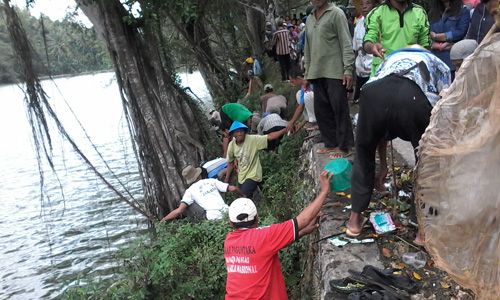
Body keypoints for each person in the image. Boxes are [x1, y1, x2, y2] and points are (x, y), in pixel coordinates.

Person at [347, 47, 451, 243]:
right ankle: (423, 231)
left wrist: (383, 165)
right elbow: (444, 103)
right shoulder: (439, 64)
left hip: (372, 95)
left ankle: (354, 220)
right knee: (427, 162)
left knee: (363, 152)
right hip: (411, 99)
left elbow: (378, 132)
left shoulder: (391, 58)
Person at [224, 171, 332, 299]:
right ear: (257, 218)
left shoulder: (229, 241)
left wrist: (301, 232)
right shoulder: (264, 236)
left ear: (231, 223)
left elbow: (266, 248)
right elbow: (302, 221)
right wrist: (324, 191)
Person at [304, 0, 355, 157]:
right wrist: (307, 74)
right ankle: (331, 143)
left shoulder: (336, 14)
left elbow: (346, 43)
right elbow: (307, 47)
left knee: (339, 108)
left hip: (335, 71)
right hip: (316, 72)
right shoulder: (309, 18)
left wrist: (348, 69)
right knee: (322, 110)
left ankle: (346, 146)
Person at [363, 0, 430, 76]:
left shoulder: (419, 12)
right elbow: (368, 40)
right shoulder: (377, 13)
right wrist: (372, 47)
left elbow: (425, 46)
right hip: (383, 75)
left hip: (411, 76)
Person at [224, 121, 287, 198]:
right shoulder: (231, 145)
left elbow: (269, 136)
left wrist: (285, 129)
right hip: (242, 176)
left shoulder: (252, 139)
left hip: (253, 174)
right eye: (237, 132)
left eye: (241, 131)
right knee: (242, 196)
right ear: (233, 134)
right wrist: (226, 180)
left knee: (245, 197)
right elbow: (230, 163)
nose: (240, 133)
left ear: (245, 132)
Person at [161, 165, 243, 222]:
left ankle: (200, 223)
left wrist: (164, 219)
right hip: (227, 212)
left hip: (212, 217)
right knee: (220, 190)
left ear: (189, 180)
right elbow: (233, 188)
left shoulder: (190, 191)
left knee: (187, 205)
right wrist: (244, 196)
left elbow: (179, 211)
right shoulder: (211, 181)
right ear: (199, 174)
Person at [429, 0, 470, 80]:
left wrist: (438, 36)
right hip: (434, 59)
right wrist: (433, 44)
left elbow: (460, 32)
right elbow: (427, 32)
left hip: (452, 59)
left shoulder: (463, 11)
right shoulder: (433, 11)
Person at [352, 0, 378, 103]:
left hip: (375, 72)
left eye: (368, 3)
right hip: (361, 72)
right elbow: (355, 49)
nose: (364, 7)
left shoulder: (380, 21)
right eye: (362, 4)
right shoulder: (358, 24)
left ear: (375, 4)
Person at [287, 66, 317, 132]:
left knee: (307, 95)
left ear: (298, 78)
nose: (293, 84)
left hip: (323, 105)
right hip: (316, 107)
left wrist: (291, 122)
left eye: (293, 81)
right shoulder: (302, 88)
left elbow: (301, 108)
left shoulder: (310, 82)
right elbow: (302, 107)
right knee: (299, 94)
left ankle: (315, 121)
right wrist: (300, 126)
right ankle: (310, 120)